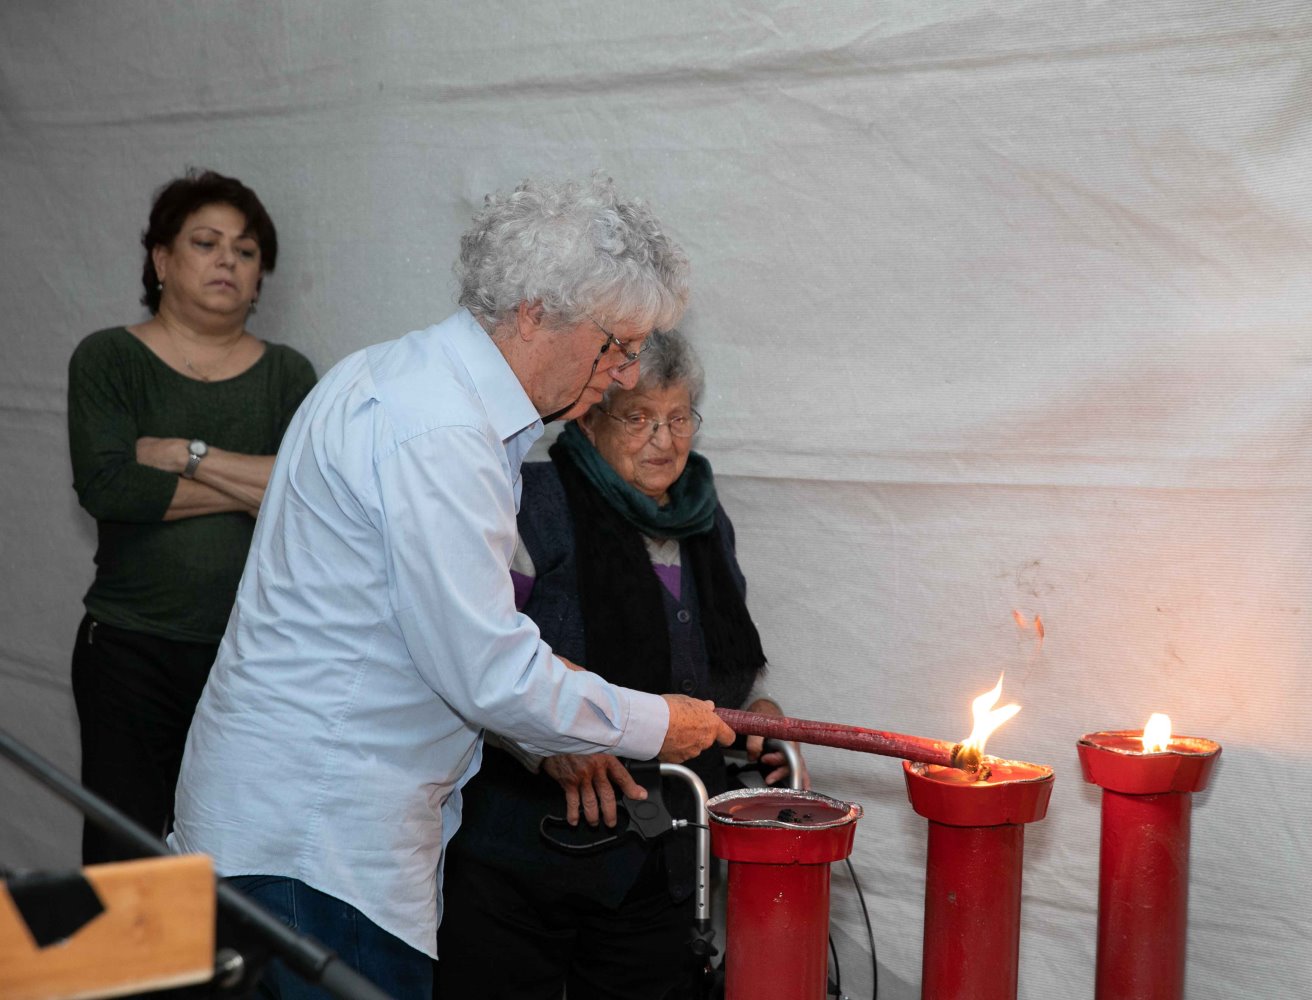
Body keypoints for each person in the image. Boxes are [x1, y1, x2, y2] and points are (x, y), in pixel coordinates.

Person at [168, 176, 735, 999]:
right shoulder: (441, 427)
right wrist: (658, 723)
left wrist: (546, 729)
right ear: (537, 312)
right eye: (615, 344)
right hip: (316, 845)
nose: (619, 375)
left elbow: (428, 635)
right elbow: (485, 671)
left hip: (301, 831)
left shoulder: (418, 382)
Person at [435, 328, 795, 1000]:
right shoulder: (530, 501)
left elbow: (719, 655)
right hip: (527, 850)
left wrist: (757, 707)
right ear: (592, 418)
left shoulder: (705, 521)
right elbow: (477, 648)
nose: (664, 439)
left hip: (659, 861)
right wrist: (544, 739)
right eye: (638, 417)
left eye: (679, 416)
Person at [67, 169, 316, 863]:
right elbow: (110, 488)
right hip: (129, 647)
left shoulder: (288, 375)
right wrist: (255, 484)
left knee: (235, 851)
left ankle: (221, 977)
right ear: (161, 260)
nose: (227, 262)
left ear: (261, 275)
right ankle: (135, 978)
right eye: (206, 243)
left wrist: (185, 453)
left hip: (254, 655)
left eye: (245, 251)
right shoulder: (110, 358)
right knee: (129, 854)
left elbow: (307, 499)